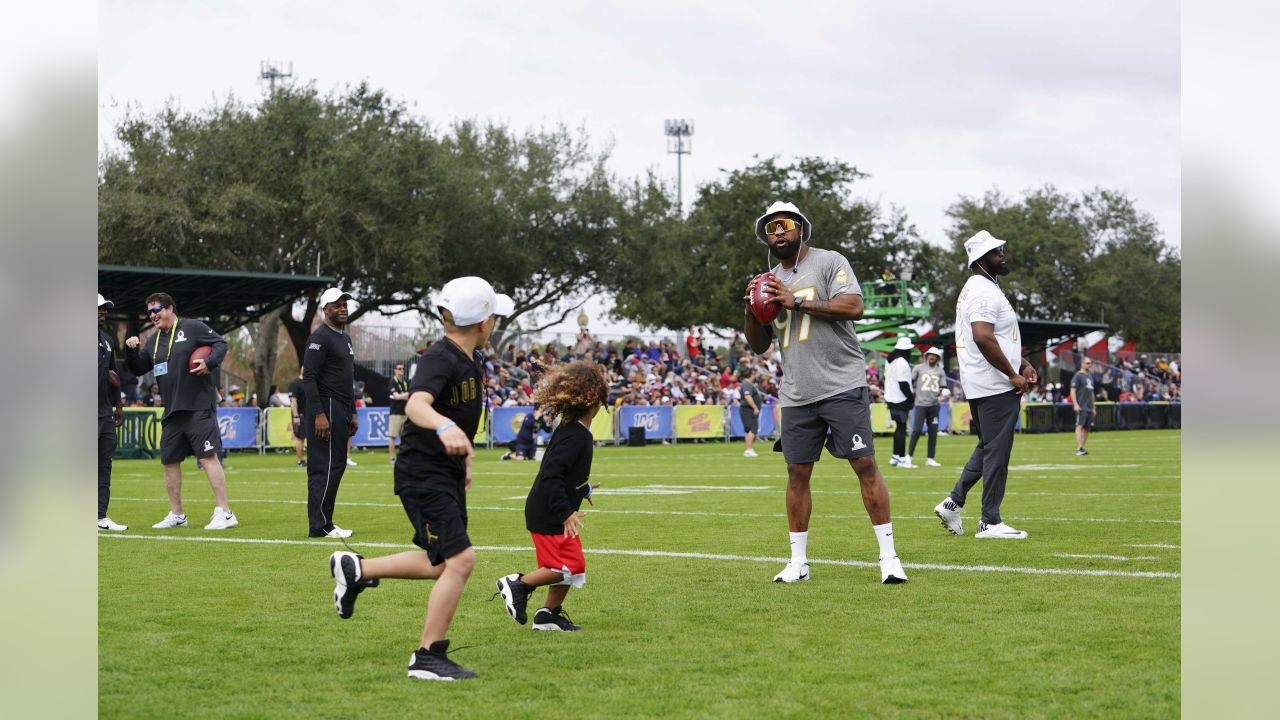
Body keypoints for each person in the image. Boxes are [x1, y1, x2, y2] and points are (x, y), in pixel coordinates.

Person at [327, 276, 513, 681]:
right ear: (484, 322)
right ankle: (428, 656)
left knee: (441, 563)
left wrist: (462, 455)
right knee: (462, 561)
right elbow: (416, 405)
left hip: (441, 471)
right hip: (421, 474)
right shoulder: (440, 357)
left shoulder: (467, 358)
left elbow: (453, 414)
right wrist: (445, 428)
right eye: (494, 316)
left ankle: (358, 569)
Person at [743, 200, 907, 584]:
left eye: (784, 225)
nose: (778, 233)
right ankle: (797, 562)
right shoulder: (766, 279)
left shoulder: (829, 261)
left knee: (864, 464)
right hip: (796, 391)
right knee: (796, 473)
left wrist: (796, 301)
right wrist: (751, 311)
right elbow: (758, 346)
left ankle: (889, 557)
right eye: (771, 228)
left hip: (840, 383)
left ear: (800, 227)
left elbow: (854, 306)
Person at [933, 231, 1037, 540]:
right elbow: (982, 335)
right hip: (993, 384)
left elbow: (1000, 338)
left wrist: (1022, 364)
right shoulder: (982, 290)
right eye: (995, 251)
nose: (1002, 254)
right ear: (980, 259)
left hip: (985, 382)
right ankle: (990, 521)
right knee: (998, 452)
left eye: (1001, 248)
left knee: (989, 446)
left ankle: (953, 502)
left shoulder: (984, 286)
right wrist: (1011, 374)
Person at [493, 361, 607, 632]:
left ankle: (548, 615)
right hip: (550, 513)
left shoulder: (574, 429)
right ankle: (517, 584)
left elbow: (562, 475)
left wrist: (583, 491)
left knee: (565, 566)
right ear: (595, 399)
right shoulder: (576, 435)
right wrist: (566, 512)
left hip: (552, 509)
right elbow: (551, 475)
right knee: (571, 566)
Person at [124, 292, 237, 530]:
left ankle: (225, 512)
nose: (153, 316)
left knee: (208, 458)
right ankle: (177, 515)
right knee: (169, 462)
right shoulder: (154, 341)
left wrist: (210, 363)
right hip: (172, 410)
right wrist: (131, 350)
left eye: (156, 310)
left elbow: (220, 343)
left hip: (197, 406)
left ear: (170, 308)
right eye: (150, 313)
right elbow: (138, 368)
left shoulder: (192, 327)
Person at [301, 288, 359, 539]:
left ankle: (325, 521)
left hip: (342, 406)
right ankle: (320, 525)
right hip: (327, 405)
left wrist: (354, 411)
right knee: (323, 466)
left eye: (344, 303)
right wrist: (318, 414)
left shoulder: (344, 338)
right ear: (325, 309)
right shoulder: (320, 337)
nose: (342, 308)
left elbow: (349, 378)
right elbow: (309, 377)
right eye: (336, 305)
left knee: (336, 465)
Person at [98, 294, 127, 531]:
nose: (102, 313)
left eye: (105, 309)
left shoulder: (107, 340)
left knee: (104, 465)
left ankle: (99, 516)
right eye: (98, 309)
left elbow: (114, 376)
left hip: (104, 412)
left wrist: (118, 405)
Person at [907, 347, 947, 467]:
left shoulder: (940, 370)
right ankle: (909, 456)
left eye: (934, 355)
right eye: (930, 354)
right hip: (920, 404)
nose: (932, 357)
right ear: (926, 355)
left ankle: (930, 458)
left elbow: (943, 387)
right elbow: (910, 382)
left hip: (934, 405)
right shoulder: (918, 368)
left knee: (933, 432)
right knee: (917, 430)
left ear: (938, 358)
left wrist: (943, 392)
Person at [883, 336, 916, 468]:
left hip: (890, 398)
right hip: (900, 398)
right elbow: (903, 384)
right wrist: (911, 398)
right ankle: (902, 459)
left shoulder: (890, 361)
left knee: (899, 428)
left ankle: (895, 457)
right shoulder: (902, 362)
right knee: (902, 428)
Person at [1071, 357, 1096, 456]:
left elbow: (1092, 393)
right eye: (1088, 363)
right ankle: (1079, 448)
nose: (1090, 365)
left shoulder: (1090, 376)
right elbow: (1072, 390)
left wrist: (1094, 407)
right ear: (1082, 364)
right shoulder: (1078, 376)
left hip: (1089, 406)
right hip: (1081, 405)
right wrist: (1076, 404)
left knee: (1087, 428)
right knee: (1080, 426)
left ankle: (1082, 447)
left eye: (1091, 363)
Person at [388, 362, 410, 464]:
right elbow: (396, 396)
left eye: (402, 369)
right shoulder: (393, 381)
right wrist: (405, 395)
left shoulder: (406, 381)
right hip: (396, 412)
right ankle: (392, 458)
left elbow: (409, 394)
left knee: (405, 437)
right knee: (392, 436)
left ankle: (403, 457)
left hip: (405, 412)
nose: (401, 371)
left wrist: (402, 395)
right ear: (395, 370)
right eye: (399, 369)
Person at [739, 367, 764, 457]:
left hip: (748, 409)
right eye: (754, 374)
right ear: (751, 374)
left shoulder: (748, 383)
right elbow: (747, 396)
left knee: (750, 430)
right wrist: (755, 408)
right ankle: (748, 449)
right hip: (748, 409)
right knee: (753, 429)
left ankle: (749, 449)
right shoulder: (747, 384)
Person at [287, 369, 307, 467]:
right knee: (300, 438)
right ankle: (300, 460)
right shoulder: (295, 384)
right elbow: (293, 401)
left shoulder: (310, 382)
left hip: (311, 415)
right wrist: (296, 416)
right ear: (301, 369)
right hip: (301, 415)